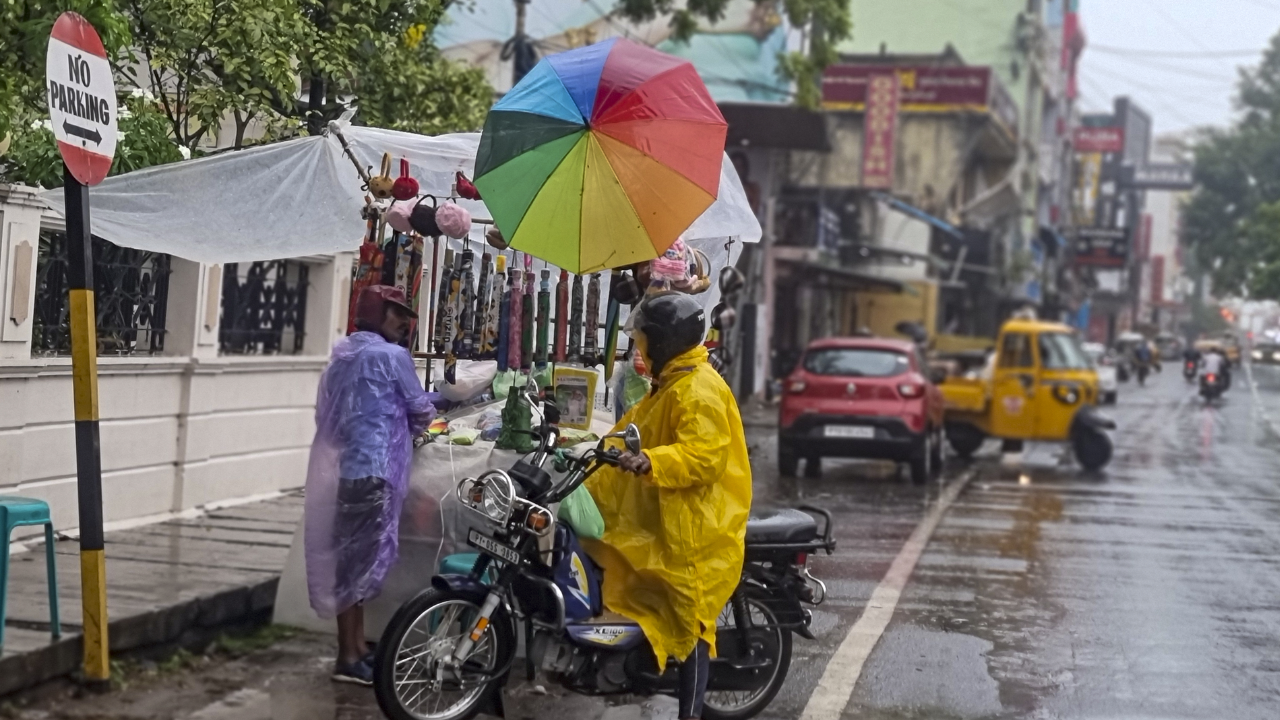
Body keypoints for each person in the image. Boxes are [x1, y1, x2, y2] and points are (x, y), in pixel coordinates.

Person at [583, 292, 751, 720]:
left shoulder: (698, 390)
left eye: (644, 342)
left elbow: (704, 455)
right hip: (665, 514)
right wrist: (588, 449)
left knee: (686, 618)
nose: (639, 350)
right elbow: (631, 428)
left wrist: (652, 460)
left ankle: (690, 713)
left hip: (696, 526)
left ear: (663, 343)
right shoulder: (670, 384)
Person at [303, 285, 438, 685]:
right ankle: (348, 656)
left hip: (346, 473)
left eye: (404, 314)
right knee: (356, 569)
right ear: (376, 313)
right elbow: (420, 410)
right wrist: (431, 408)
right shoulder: (392, 356)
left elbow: (325, 414)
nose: (403, 321)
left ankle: (357, 646)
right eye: (395, 312)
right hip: (376, 474)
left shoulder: (340, 356)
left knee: (350, 564)